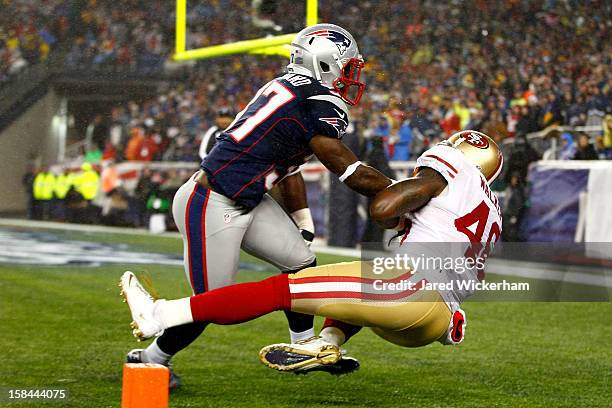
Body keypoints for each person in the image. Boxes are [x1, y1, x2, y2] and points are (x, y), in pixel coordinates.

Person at [124, 24, 392, 387]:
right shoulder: (318, 101)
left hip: (244, 197)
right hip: (212, 199)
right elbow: (342, 164)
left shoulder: (291, 88)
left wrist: (302, 218)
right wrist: (395, 192)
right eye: (346, 67)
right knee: (213, 304)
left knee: (301, 264)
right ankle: (151, 358)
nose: (351, 77)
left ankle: (303, 346)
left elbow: (287, 168)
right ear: (324, 64)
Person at [120, 130, 503, 374]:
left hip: (409, 288)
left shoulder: (453, 167)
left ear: (462, 150)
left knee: (283, 289)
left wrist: (385, 191)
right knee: (361, 284)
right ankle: (327, 343)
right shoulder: (491, 208)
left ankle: (159, 314)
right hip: (435, 322)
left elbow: (384, 209)